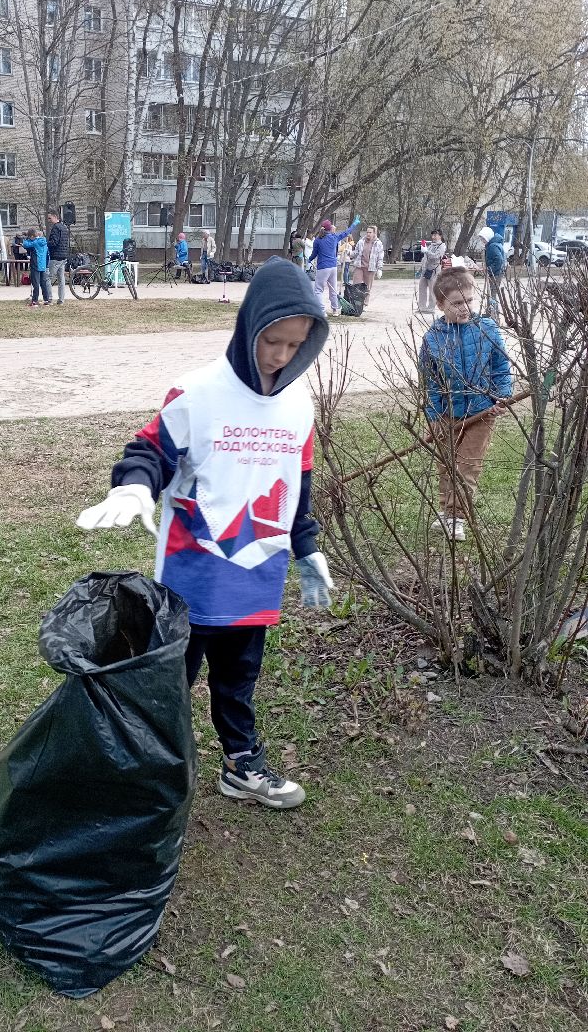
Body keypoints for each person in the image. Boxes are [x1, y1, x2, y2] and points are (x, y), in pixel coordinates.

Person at [76, 257, 334, 810]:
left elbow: (299, 484)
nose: (281, 356)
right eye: (272, 341)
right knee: (170, 682)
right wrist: (134, 488)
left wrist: (307, 547)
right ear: (248, 326)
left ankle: (241, 765)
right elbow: (150, 450)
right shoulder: (196, 393)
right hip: (191, 576)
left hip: (256, 574)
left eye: (295, 345)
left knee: (239, 679)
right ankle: (147, 776)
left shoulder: (299, 406)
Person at [419, 267, 512, 543]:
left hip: (482, 411)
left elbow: (501, 367)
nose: (465, 308)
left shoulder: (487, 329)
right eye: (457, 303)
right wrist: (434, 417)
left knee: (466, 466)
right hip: (448, 413)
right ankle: (446, 512)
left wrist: (501, 396)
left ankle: (456, 517)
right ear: (440, 305)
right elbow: (430, 382)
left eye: (469, 300)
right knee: (446, 465)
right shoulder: (433, 339)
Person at [307, 216, 360, 315]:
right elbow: (346, 232)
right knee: (333, 289)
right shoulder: (334, 237)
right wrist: (354, 224)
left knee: (318, 290)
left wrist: (309, 260)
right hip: (333, 267)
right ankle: (335, 309)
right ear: (330, 228)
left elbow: (314, 254)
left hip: (323, 267)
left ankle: (322, 311)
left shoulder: (318, 240)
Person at [351, 224, 385, 308]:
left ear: (374, 233)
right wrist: (348, 253)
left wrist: (379, 268)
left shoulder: (378, 243)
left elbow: (380, 257)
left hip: (370, 268)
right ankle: (356, 303)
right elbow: (356, 253)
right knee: (356, 285)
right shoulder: (361, 242)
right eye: (367, 232)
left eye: (370, 232)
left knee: (367, 287)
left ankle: (365, 303)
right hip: (359, 266)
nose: (368, 234)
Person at [417, 228, 447, 313]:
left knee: (432, 290)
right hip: (425, 271)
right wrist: (420, 269)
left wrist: (426, 251)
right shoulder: (431, 245)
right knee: (422, 288)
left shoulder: (442, 246)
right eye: (432, 235)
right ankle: (422, 307)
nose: (433, 237)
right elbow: (425, 259)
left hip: (434, 271)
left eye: (435, 235)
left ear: (440, 236)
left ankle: (431, 308)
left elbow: (436, 257)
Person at [477, 225, 507, 302]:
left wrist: (489, 270)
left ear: (488, 237)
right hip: (496, 272)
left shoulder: (493, 246)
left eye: (483, 239)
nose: (482, 241)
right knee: (491, 294)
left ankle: (492, 309)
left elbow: (499, 260)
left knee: (492, 295)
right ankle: (491, 308)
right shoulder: (493, 244)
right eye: (481, 239)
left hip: (496, 274)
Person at [23, 227, 51, 307]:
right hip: (43, 265)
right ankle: (46, 300)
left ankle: (35, 301)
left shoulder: (35, 242)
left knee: (35, 283)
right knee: (43, 283)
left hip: (36, 264)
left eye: (30, 237)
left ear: (32, 236)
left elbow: (25, 244)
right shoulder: (43, 241)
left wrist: (26, 238)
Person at [46, 208, 69, 304]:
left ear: (55, 217)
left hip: (55, 257)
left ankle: (49, 298)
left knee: (47, 277)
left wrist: (46, 243)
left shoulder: (55, 228)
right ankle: (61, 300)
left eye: (50, 218)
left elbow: (54, 242)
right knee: (61, 279)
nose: (49, 220)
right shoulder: (64, 227)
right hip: (63, 256)